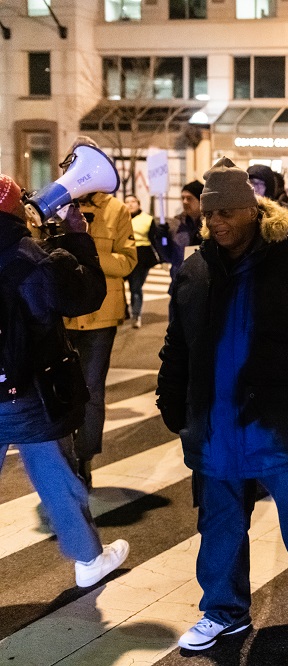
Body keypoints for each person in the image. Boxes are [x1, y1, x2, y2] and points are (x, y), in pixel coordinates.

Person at [157, 158, 288, 651]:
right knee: (220, 523)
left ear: (251, 211)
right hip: (216, 424)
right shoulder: (196, 271)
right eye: (209, 215)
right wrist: (170, 392)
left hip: (279, 422)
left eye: (225, 213)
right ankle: (224, 610)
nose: (216, 223)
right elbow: (177, 341)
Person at [0, 174, 130, 589]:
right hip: (28, 393)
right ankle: (88, 557)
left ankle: (90, 556)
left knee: (53, 470)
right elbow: (84, 295)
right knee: (54, 473)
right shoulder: (30, 259)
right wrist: (76, 240)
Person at [60, 138, 138, 489]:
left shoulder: (116, 210)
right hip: (60, 313)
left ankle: (84, 459)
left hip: (100, 316)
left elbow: (128, 261)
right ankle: (64, 460)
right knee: (59, 388)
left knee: (91, 390)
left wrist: (86, 252)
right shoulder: (55, 203)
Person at [159, 180, 204, 281]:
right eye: (182, 198)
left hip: (203, 283)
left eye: (189, 198)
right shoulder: (176, 224)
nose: (184, 202)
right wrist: (161, 239)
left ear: (201, 200)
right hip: (179, 282)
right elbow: (168, 256)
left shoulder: (211, 223)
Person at [124, 194, 157, 328]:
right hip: (124, 254)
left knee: (135, 287)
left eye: (133, 201)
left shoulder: (147, 219)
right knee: (118, 286)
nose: (130, 204)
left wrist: (162, 256)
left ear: (139, 204)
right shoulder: (120, 218)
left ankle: (136, 315)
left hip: (141, 256)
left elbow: (154, 239)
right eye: (127, 202)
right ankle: (124, 311)